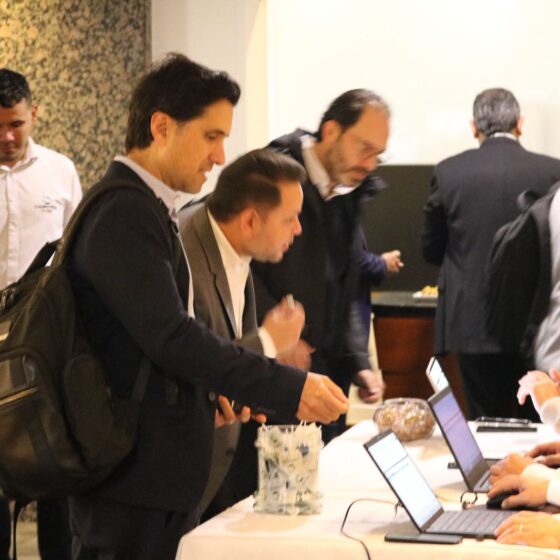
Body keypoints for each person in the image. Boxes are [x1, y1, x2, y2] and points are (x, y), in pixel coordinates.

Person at [66, 53, 348, 560]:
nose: (220, 157)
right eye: (211, 136)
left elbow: (155, 350)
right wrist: (287, 383)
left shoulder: (144, 207)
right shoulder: (124, 211)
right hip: (132, 488)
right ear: (161, 127)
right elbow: (172, 337)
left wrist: (213, 396)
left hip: (149, 482)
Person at [251, 89, 389, 440]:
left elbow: (346, 282)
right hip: (274, 373)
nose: (370, 164)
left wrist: (358, 360)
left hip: (325, 376)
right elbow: (241, 266)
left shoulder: (348, 190)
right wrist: (281, 336)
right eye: (364, 148)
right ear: (331, 131)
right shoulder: (273, 172)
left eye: (378, 154)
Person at [178, 148, 307, 519]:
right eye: (290, 219)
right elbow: (191, 365)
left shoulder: (235, 246)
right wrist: (268, 342)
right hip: (171, 477)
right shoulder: (184, 255)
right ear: (250, 220)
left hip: (213, 465)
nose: (298, 229)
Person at [421, 88, 560, 420]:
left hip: (474, 325)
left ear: (474, 128)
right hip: (537, 324)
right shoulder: (553, 170)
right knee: (542, 419)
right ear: (520, 123)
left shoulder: (449, 172)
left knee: (485, 423)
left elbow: (430, 248)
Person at [0, 68, 82, 560]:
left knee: (52, 457)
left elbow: (75, 255)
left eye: (15, 124)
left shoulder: (60, 171)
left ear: (34, 114)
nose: (7, 136)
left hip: (42, 341)